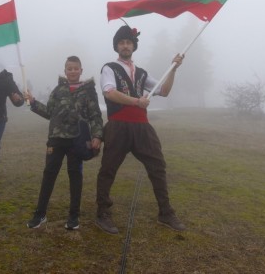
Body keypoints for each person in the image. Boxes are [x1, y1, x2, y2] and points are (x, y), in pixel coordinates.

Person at [95, 25, 186, 234]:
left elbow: (163, 91)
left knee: (157, 165)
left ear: (133, 46)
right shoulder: (109, 68)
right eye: (121, 42)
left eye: (128, 42)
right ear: (117, 46)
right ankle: (102, 212)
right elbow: (109, 92)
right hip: (118, 125)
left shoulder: (142, 73)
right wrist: (136, 101)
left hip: (142, 127)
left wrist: (173, 69)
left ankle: (165, 212)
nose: (125, 45)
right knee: (108, 169)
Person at [24, 56, 103, 230]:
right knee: (49, 175)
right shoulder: (58, 90)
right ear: (65, 71)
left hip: (78, 141)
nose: (73, 71)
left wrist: (97, 136)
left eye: (76, 68)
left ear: (81, 70)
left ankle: (74, 217)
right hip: (56, 139)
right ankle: (40, 215)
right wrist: (33, 102)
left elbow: (95, 115)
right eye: (69, 68)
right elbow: (49, 112)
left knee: (75, 176)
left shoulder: (88, 91)